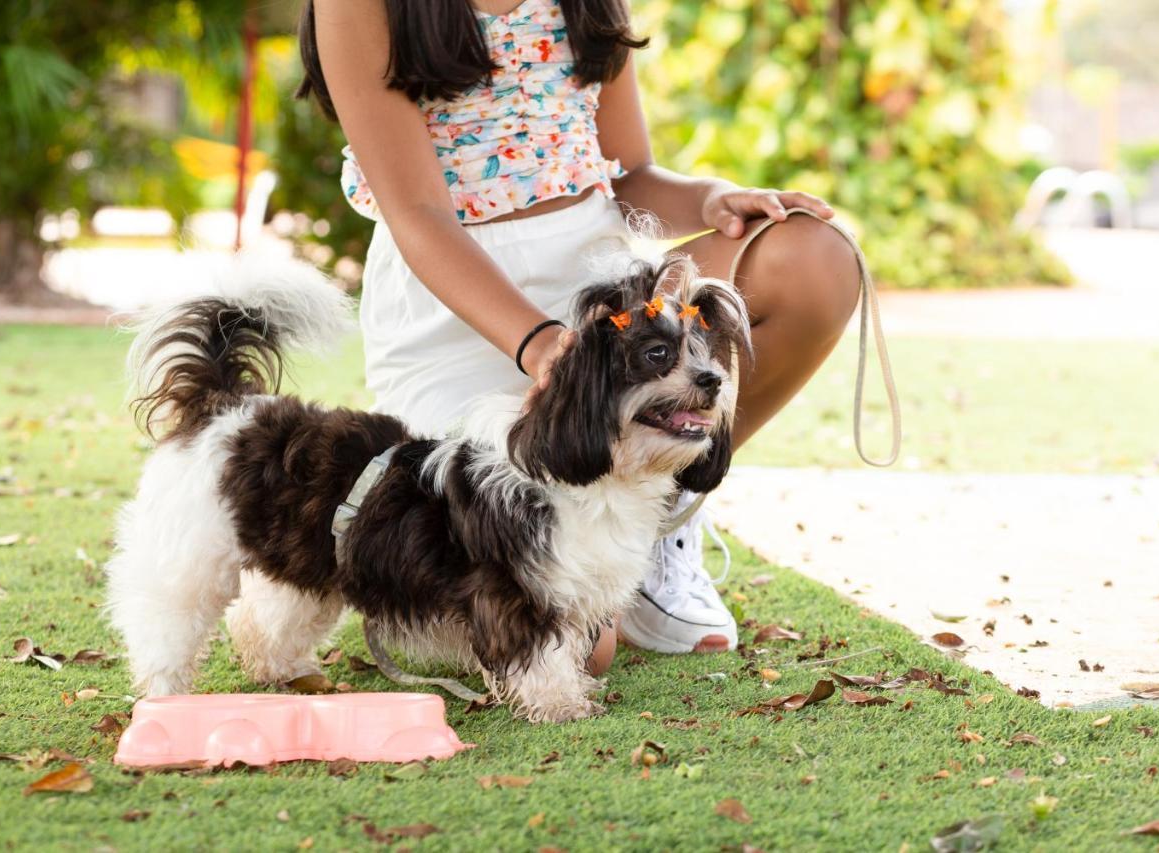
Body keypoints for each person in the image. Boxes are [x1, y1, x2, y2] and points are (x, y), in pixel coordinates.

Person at [298, 0, 862, 662]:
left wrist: (708, 197)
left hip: (603, 304)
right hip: (453, 319)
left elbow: (629, 175)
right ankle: (594, 530)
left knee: (815, 259)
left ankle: (656, 508)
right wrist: (539, 344)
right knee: (575, 648)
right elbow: (417, 213)